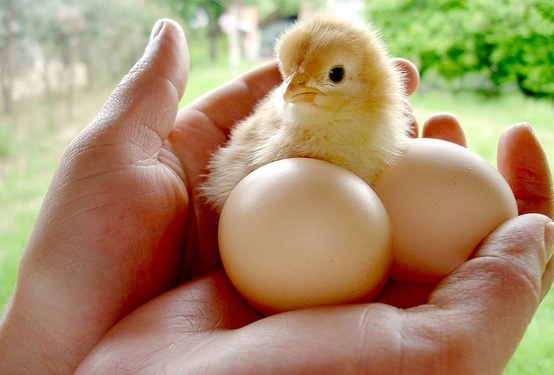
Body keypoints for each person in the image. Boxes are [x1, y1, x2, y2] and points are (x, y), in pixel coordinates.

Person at [0, 19, 552, 374]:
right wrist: (46, 341)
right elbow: (255, 185)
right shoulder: (288, 154)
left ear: (371, 85)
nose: (292, 88)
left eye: (330, 75)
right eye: (291, 72)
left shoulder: (372, 144)